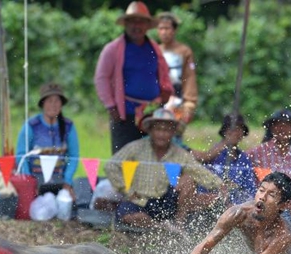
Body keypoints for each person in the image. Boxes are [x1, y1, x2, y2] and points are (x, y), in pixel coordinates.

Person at [105, 107, 222, 231]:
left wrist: (220, 185)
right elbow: (111, 166)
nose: (162, 134)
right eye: (158, 129)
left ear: (173, 133)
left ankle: (179, 225)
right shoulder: (136, 147)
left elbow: (199, 172)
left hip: (166, 200)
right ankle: (163, 228)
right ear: (151, 130)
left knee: (190, 180)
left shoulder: (179, 153)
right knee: (128, 215)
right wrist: (126, 190)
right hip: (140, 199)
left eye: (167, 130)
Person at [94, 1, 173, 154]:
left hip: (152, 112)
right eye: (133, 22)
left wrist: (166, 90)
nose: (137, 26)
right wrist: (110, 106)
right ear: (126, 24)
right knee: (124, 159)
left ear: (147, 25)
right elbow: (101, 78)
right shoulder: (112, 49)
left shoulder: (154, 48)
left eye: (141, 22)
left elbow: (164, 72)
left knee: (151, 158)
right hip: (124, 113)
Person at [15, 83, 80, 196]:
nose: (53, 105)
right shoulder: (31, 126)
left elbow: (74, 157)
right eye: (49, 101)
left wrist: (67, 182)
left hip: (61, 181)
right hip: (35, 182)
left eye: (57, 101)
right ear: (43, 104)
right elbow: (21, 156)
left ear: (61, 104)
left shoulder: (68, 126)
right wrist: (29, 182)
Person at [192, 113, 257, 206]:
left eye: (239, 129)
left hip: (239, 205)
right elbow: (203, 186)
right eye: (233, 129)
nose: (236, 132)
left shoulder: (244, 159)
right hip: (213, 203)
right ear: (225, 132)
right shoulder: (212, 155)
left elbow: (251, 188)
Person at [155, 12, 198, 126]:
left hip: (177, 101)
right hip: (157, 101)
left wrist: (190, 103)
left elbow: (189, 77)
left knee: (174, 137)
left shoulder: (184, 51)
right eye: (161, 28)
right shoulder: (155, 50)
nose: (164, 32)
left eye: (167, 28)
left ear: (174, 30)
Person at [247, 110, 291, 180]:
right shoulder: (256, 153)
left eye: (287, 125)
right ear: (271, 128)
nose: (282, 129)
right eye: (278, 125)